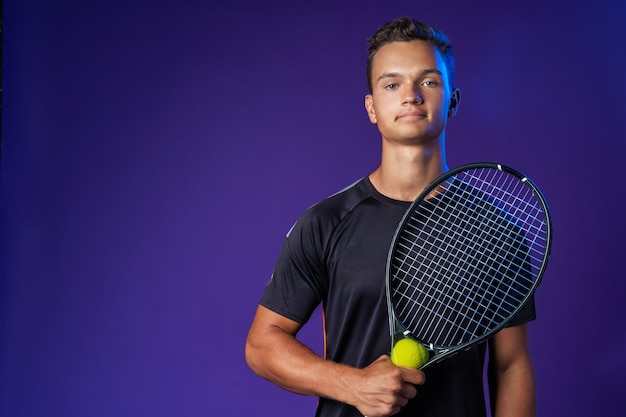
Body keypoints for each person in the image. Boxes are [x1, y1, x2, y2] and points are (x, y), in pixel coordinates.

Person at [245, 17, 536, 417]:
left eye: (429, 82)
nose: (411, 96)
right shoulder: (326, 223)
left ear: (453, 100)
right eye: (392, 84)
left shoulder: (496, 228)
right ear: (372, 107)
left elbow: (511, 364)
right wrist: (353, 385)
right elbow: (262, 345)